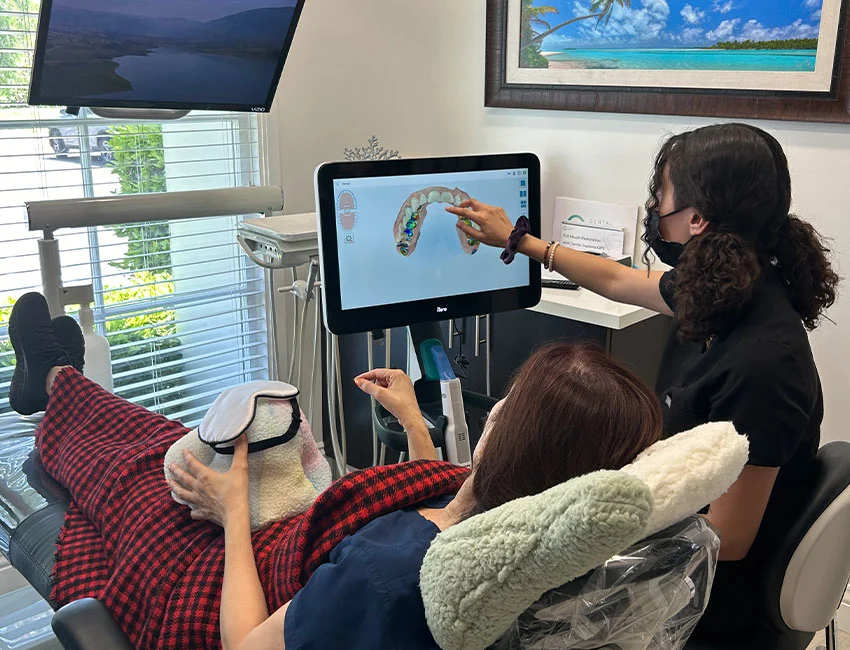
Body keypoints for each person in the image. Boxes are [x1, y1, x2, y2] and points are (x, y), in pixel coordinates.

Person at [8, 292, 662, 650]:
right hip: (299, 557)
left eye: (509, 407)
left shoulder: (388, 574)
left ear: (510, 436)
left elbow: (247, 646)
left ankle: (56, 378)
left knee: (139, 468)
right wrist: (411, 422)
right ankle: (60, 374)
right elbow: (446, 506)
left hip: (228, 580)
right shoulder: (533, 546)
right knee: (163, 442)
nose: (496, 415)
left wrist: (234, 511)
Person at [446, 122, 840, 642]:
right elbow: (617, 280)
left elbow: (729, 538)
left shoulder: (766, 365)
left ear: (697, 219)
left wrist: (583, 539)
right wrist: (520, 241)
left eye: (661, 198)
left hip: (708, 604)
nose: (655, 211)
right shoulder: (723, 290)